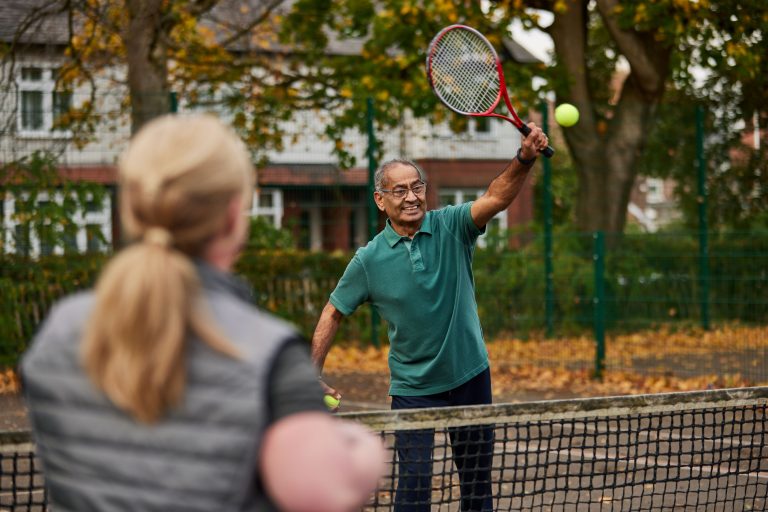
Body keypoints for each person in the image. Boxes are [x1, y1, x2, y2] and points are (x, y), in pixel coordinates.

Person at [21, 114, 384, 512]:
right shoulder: (269, 354)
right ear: (233, 216)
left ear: (130, 207)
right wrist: (360, 447)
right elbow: (327, 494)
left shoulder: (58, 330)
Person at [311, 123, 549, 511]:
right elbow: (333, 311)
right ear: (380, 200)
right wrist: (312, 371)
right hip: (413, 387)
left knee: (476, 484)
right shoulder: (368, 260)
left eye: (417, 186)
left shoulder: (452, 226)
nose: (411, 197)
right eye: (399, 190)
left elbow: (496, 197)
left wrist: (523, 158)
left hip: (470, 375)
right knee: (415, 485)